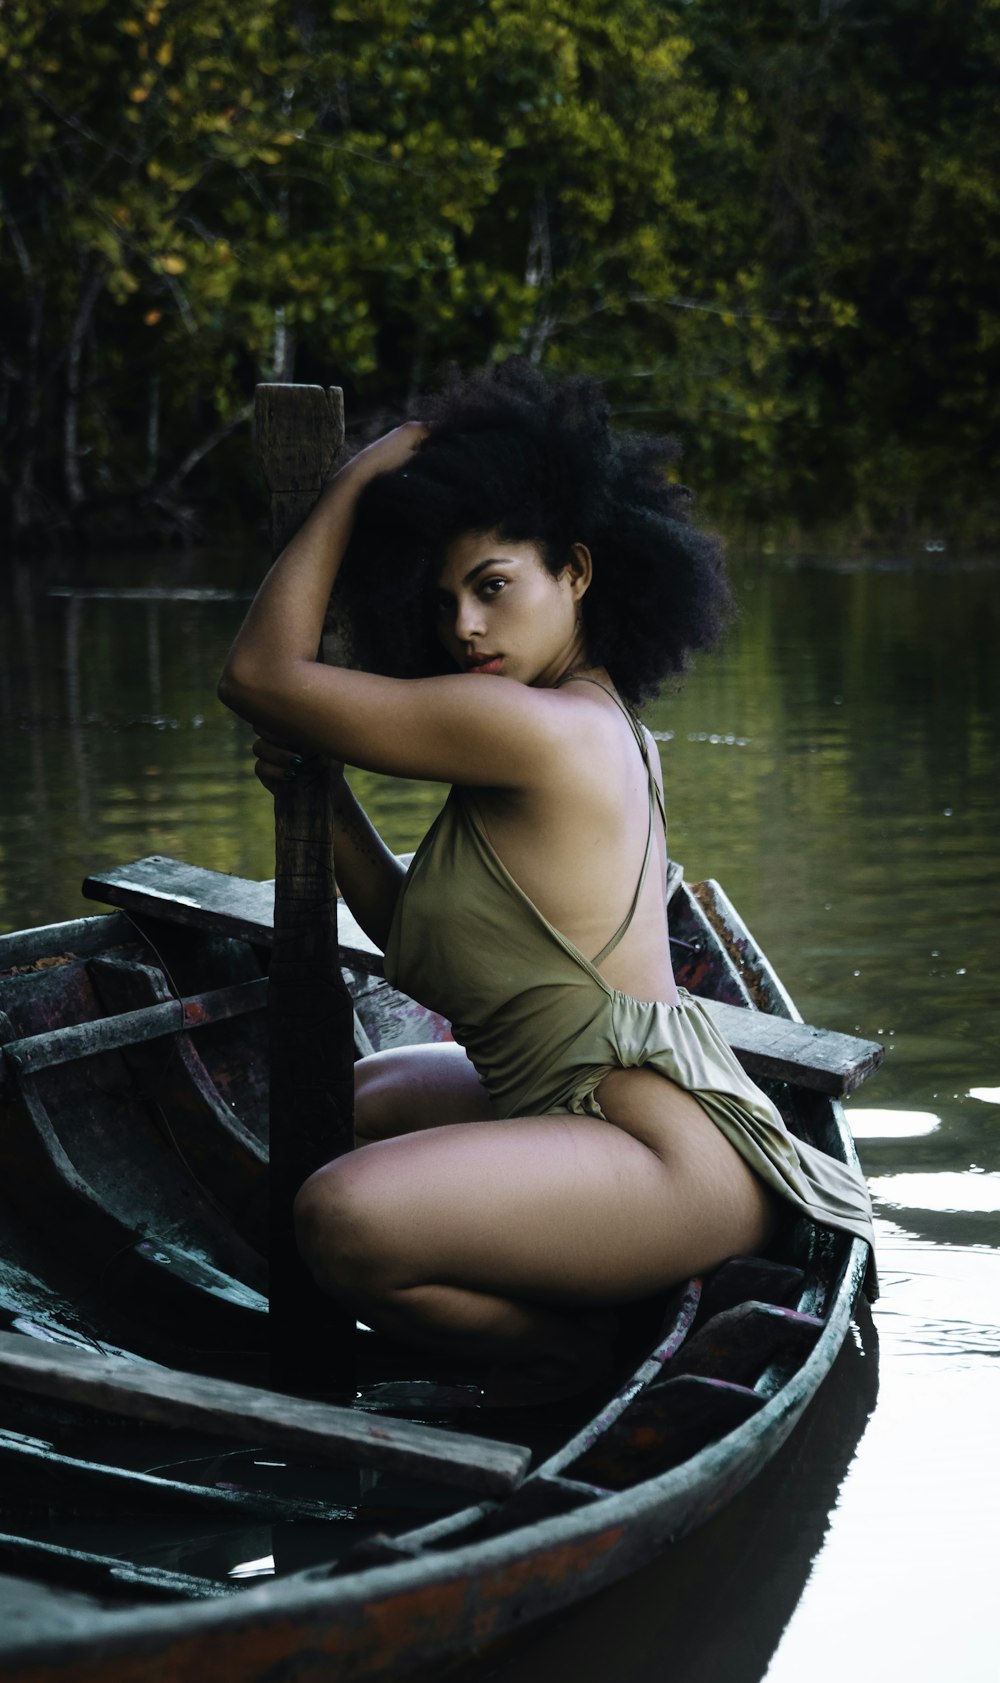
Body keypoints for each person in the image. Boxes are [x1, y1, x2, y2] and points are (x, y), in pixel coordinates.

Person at [219, 361, 874, 1403]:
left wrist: (349, 485)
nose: (465, 630)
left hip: (662, 1152)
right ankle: (558, 1280)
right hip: (571, 1106)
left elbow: (259, 677)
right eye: (444, 603)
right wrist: (326, 800)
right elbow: (421, 944)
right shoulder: (575, 719)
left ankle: (563, 1355)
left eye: (493, 587)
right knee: (348, 1104)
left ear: (575, 572)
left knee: (337, 1213)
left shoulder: (536, 729)